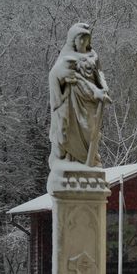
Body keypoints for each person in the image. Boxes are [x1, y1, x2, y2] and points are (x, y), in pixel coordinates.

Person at [48, 23, 111, 168]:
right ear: (73, 40)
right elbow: (54, 75)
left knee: (90, 130)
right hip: (71, 101)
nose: (83, 42)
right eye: (79, 39)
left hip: (91, 102)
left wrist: (104, 87)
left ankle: (89, 160)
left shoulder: (93, 56)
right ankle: (71, 160)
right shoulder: (66, 57)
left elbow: (99, 74)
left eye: (86, 39)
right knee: (69, 131)